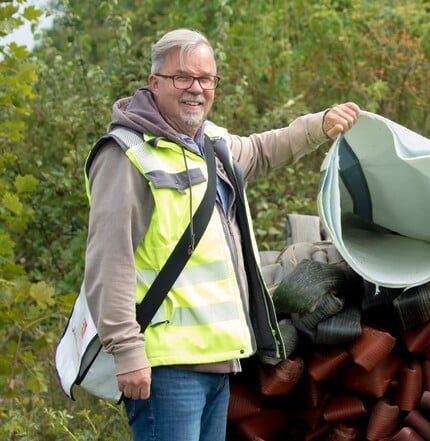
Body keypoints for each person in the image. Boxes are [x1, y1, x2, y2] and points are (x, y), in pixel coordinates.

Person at [82, 28, 360, 440]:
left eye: (206, 78)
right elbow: (109, 262)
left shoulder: (211, 141)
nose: (196, 89)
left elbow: (265, 150)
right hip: (167, 366)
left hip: (219, 359)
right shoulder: (126, 155)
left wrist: (319, 125)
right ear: (154, 83)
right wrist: (127, 352)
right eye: (183, 77)